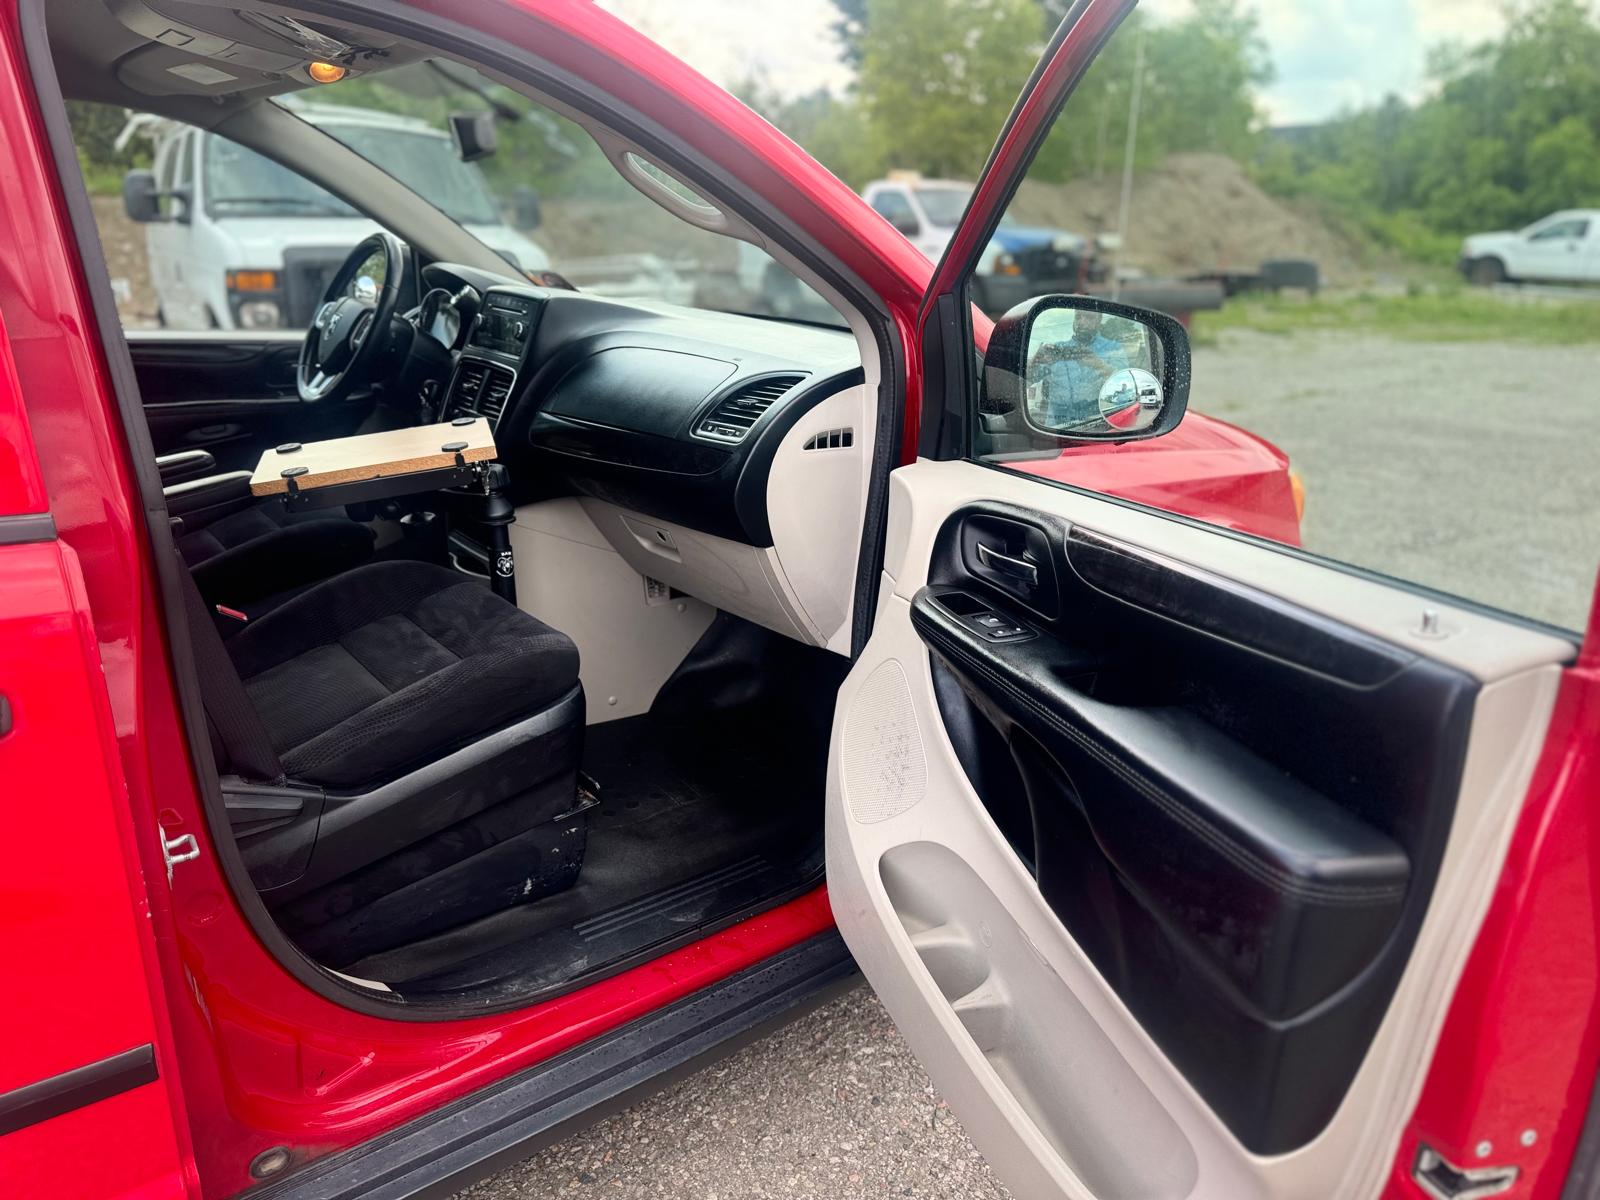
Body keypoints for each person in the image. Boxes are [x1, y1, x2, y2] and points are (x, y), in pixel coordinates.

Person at [1033, 308, 1129, 430]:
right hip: (1056, 429)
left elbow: (1125, 387)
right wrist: (1036, 361)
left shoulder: (1113, 349)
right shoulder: (1057, 350)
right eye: (1078, 317)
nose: (1081, 322)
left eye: (1089, 317)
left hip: (1097, 427)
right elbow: (1028, 380)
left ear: (1099, 321)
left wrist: (1100, 365)